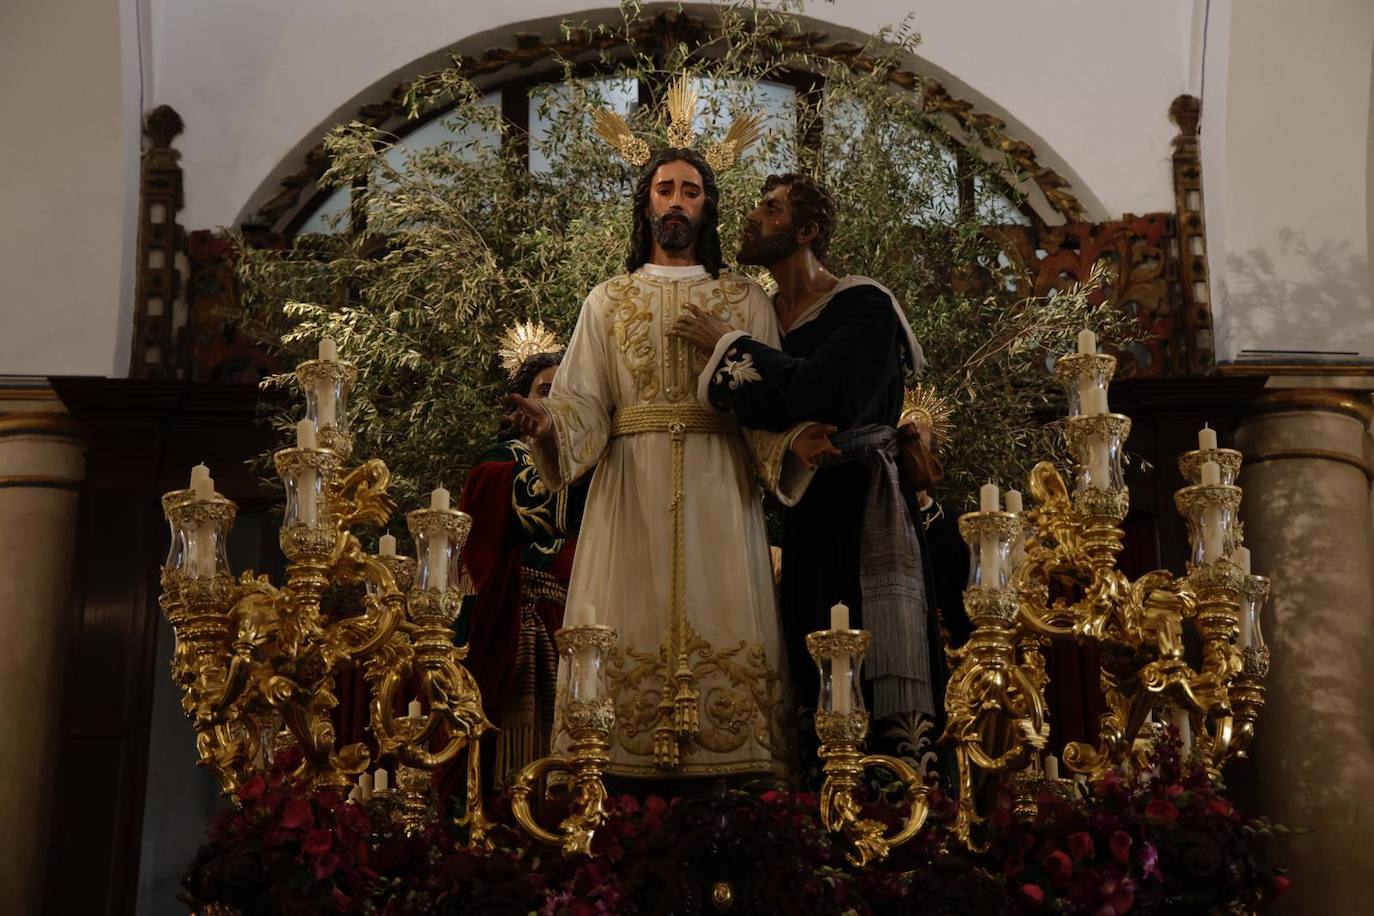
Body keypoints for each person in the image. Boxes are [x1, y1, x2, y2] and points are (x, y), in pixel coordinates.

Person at [505, 138, 821, 778]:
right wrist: (547, 421)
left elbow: (768, 404)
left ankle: (736, 762)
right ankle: (611, 764)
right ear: (645, 205)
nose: (677, 202)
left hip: (719, 486)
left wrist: (792, 446)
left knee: (723, 621)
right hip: (630, 489)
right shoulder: (607, 300)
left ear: (708, 209)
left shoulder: (744, 300)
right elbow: (585, 405)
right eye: (665, 190)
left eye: (691, 191)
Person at [670, 173, 943, 760]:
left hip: (866, 502)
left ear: (808, 231)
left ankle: (896, 794)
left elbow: (829, 393)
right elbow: (747, 402)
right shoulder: (768, 317)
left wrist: (731, 344)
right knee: (807, 649)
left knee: (873, 651)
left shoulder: (864, 304)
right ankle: (819, 801)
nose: (754, 217)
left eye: (770, 210)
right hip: (807, 507)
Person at [451, 341, 588, 792]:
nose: (552, 399)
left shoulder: (588, 465)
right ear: (518, 403)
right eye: (544, 389)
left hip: (569, 627)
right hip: (513, 618)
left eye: (563, 391)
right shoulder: (500, 462)